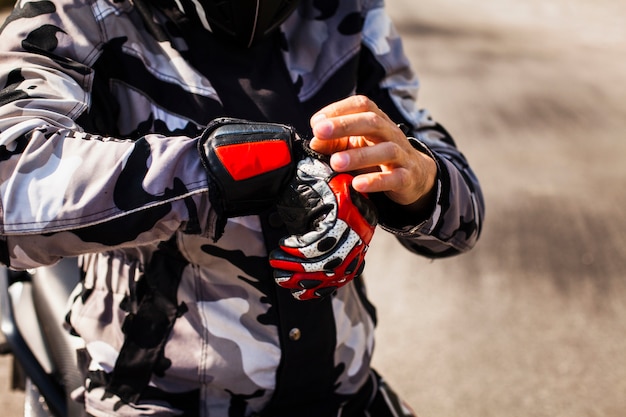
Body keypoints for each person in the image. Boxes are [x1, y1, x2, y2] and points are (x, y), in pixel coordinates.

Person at [0, 0, 484, 415]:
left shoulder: (350, 11)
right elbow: (10, 182)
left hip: (340, 386)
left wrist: (420, 183)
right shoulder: (80, 11)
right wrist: (218, 172)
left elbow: (463, 220)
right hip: (155, 395)